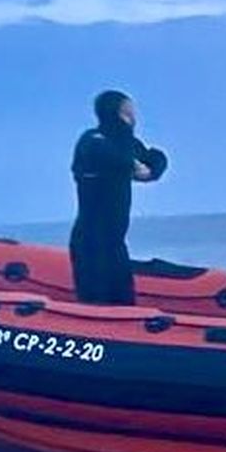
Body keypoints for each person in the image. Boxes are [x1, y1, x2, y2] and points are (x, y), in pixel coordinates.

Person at [69, 89, 167, 304]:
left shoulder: (128, 143)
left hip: (115, 242)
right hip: (90, 242)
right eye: (127, 113)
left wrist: (151, 171)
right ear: (115, 114)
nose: (133, 119)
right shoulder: (92, 140)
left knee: (123, 300)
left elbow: (156, 157)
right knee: (96, 300)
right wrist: (132, 166)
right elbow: (110, 156)